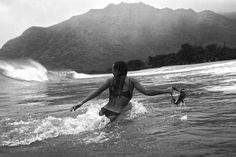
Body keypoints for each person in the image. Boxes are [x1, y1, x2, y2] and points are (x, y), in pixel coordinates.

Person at [71, 61, 171, 121]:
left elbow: (97, 92)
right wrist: (166, 91)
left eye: (113, 69)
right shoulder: (132, 82)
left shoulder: (110, 81)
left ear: (118, 71)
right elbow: (147, 92)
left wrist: (82, 102)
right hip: (115, 114)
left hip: (103, 111)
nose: (112, 71)